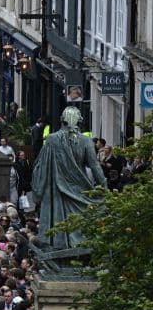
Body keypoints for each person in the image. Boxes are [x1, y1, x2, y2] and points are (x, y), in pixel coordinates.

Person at [31, 105, 107, 249]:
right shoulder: (86, 141)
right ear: (79, 121)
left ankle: (58, 246)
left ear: (62, 120)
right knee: (79, 222)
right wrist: (104, 186)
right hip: (78, 190)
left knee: (59, 223)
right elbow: (95, 166)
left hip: (57, 190)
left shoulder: (52, 139)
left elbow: (40, 166)